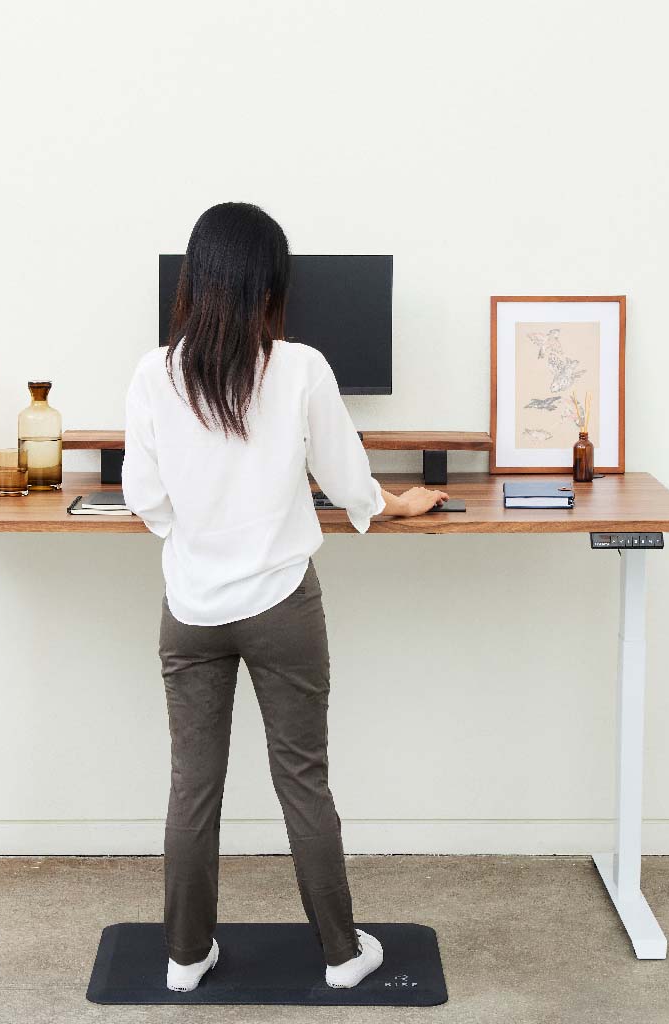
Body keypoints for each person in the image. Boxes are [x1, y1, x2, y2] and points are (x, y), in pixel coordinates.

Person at [122, 202, 447, 993]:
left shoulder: (153, 372)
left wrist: (198, 530)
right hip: (281, 608)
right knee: (303, 778)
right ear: (270, 284)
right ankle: (341, 955)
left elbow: (144, 498)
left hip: (192, 609)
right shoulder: (300, 367)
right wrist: (388, 505)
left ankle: (185, 957)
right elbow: (346, 481)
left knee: (192, 787)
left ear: (195, 281)